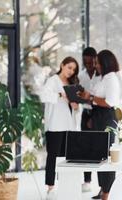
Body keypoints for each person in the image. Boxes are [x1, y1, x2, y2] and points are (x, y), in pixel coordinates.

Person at [79, 49, 120, 200]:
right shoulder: (104, 78)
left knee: (107, 156)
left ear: (105, 63)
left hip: (106, 117)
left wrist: (90, 97)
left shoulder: (111, 78)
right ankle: (103, 190)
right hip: (99, 116)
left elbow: (110, 102)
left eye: (97, 63)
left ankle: (107, 193)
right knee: (100, 155)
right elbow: (97, 99)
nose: (95, 65)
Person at [39, 56, 80, 199]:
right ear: (62, 65)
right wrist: (60, 94)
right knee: (52, 156)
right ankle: (50, 187)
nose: (71, 71)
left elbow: (74, 106)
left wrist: (75, 105)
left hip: (68, 125)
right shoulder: (52, 80)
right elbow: (43, 96)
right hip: (55, 125)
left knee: (66, 157)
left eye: (73, 69)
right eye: (69, 67)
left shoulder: (72, 84)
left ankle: (64, 184)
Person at [78, 47, 101, 192]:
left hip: (99, 113)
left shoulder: (102, 76)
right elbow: (81, 96)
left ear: (95, 60)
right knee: (86, 147)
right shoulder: (81, 76)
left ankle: (102, 187)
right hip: (86, 112)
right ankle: (87, 181)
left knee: (99, 148)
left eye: (91, 62)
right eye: (85, 63)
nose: (89, 66)